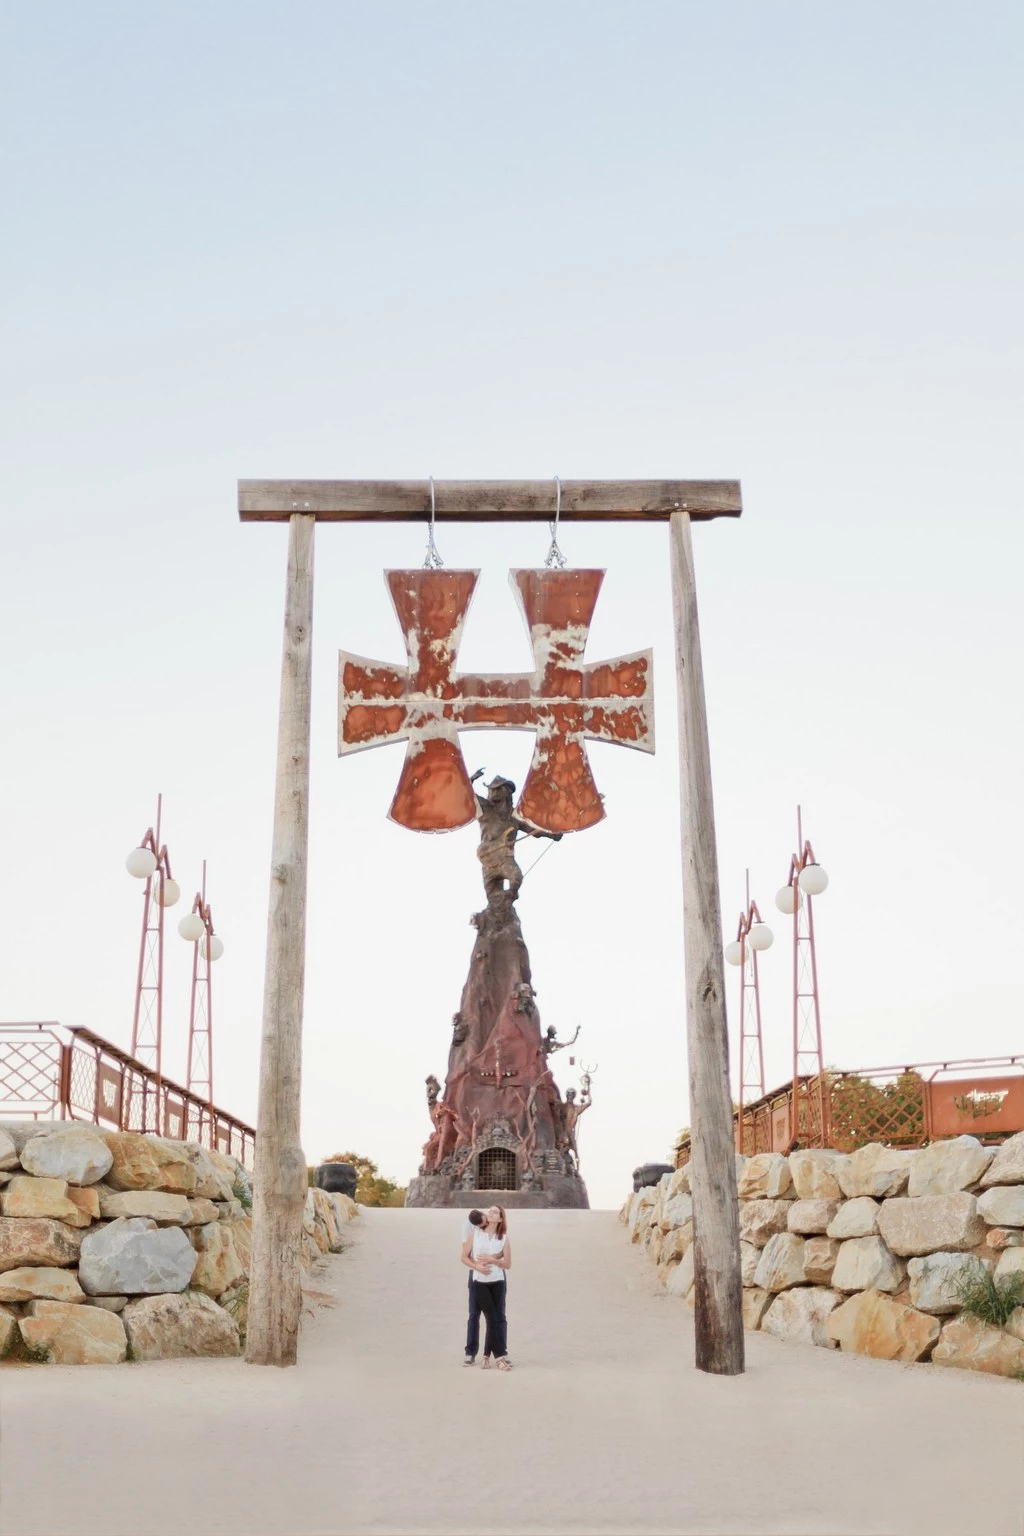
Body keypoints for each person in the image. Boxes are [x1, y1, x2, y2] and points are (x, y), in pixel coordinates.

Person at [461, 1203, 512, 1370]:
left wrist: (493, 1260)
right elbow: (464, 1256)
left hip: (498, 1280)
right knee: (481, 1315)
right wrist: (477, 1266)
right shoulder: (474, 1233)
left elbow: (507, 1263)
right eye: (489, 1211)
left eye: (495, 1212)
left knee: (498, 1317)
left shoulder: (503, 1237)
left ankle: (489, 1356)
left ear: (500, 1218)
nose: (490, 1213)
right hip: (479, 1280)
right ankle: (494, 1357)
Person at [460, 1209, 485, 1366]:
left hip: (495, 1273)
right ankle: (470, 1352)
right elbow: (465, 1253)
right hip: (476, 1273)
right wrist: (477, 1266)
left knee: (497, 1316)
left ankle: (499, 1352)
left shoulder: (493, 1224)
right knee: (474, 1314)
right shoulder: (468, 1227)